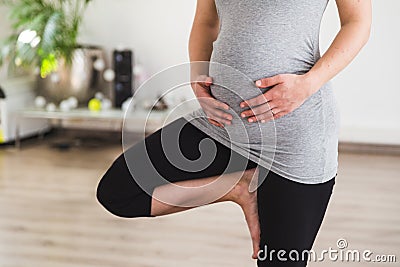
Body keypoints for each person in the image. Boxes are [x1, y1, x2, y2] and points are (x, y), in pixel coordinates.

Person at [96, 0, 371, 266]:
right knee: (118, 191)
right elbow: (206, 21)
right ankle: (238, 188)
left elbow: (357, 22)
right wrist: (198, 73)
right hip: (221, 125)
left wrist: (308, 84)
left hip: (294, 136)